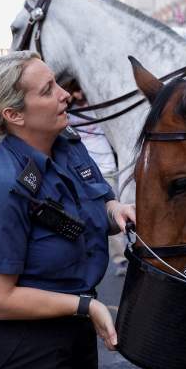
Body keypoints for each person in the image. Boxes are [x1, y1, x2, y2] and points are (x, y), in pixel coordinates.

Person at [0, 51, 136, 369]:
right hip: (17, 353)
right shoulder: (1, 186)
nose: (65, 94)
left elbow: (96, 206)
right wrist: (87, 307)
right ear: (14, 115)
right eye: (48, 89)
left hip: (69, 329)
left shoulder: (65, 143)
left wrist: (120, 212)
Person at [62, 79, 127, 276]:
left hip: (112, 167)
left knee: (121, 209)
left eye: (82, 90)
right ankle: (120, 259)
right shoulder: (66, 113)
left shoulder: (98, 108)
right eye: (76, 91)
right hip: (90, 172)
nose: (80, 95)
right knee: (104, 213)